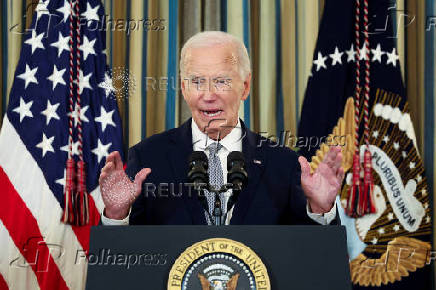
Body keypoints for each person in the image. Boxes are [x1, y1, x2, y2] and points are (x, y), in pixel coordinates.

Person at [99, 31, 344, 226]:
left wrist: (321, 210)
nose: (208, 95)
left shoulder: (284, 163)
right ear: (184, 89)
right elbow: (124, 259)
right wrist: (117, 214)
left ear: (245, 87)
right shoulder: (148, 158)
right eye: (197, 82)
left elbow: (310, 258)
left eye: (221, 81)